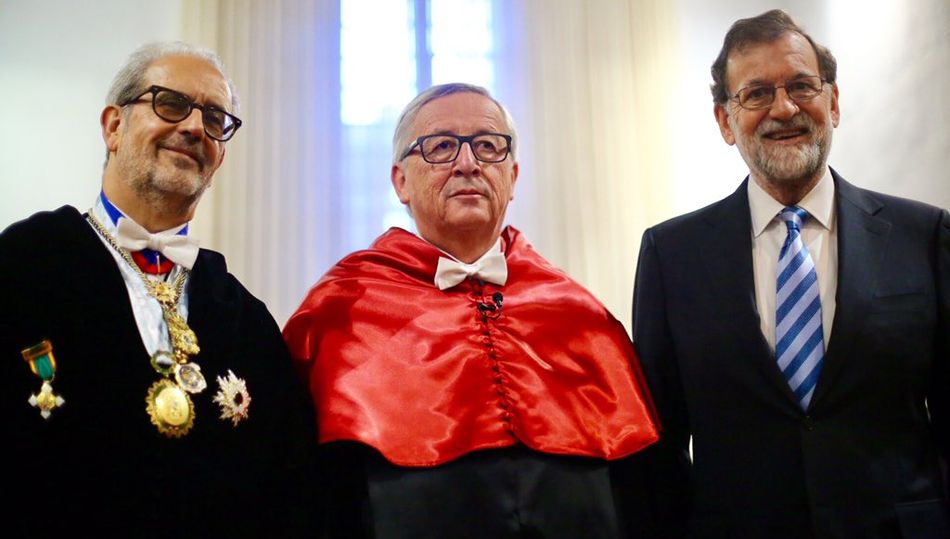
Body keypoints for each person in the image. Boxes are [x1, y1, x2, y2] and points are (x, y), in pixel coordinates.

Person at [284, 83, 659, 538]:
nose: (468, 164)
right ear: (400, 180)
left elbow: (646, 485)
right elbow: (303, 493)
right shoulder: (341, 311)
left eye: (487, 146)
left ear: (513, 176)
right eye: (441, 147)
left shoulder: (578, 310)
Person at [631, 9, 950, 539]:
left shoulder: (924, 236)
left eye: (802, 86)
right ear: (725, 122)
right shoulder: (671, 256)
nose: (784, 108)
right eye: (756, 93)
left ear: (834, 102)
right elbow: (658, 446)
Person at [0, 42, 317, 537]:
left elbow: (288, 487)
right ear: (113, 126)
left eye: (215, 119)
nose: (194, 127)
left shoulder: (245, 316)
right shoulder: (20, 265)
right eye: (171, 104)